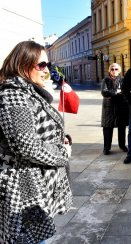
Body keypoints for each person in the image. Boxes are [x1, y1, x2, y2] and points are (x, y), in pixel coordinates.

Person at [0, 41, 72, 243]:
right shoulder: (13, 95)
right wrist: (62, 153)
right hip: (22, 188)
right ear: (24, 65)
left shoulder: (26, 92)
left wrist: (59, 139)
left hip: (33, 182)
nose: (46, 70)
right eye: (41, 65)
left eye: (47, 65)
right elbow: (27, 145)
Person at [101, 63, 129, 155]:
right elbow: (104, 92)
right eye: (112, 69)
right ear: (109, 70)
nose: (114, 71)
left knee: (122, 127)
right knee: (107, 128)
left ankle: (122, 145)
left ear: (119, 70)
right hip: (108, 108)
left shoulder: (123, 80)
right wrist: (116, 92)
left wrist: (112, 94)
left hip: (121, 107)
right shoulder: (105, 80)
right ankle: (106, 147)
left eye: (116, 69)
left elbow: (125, 92)